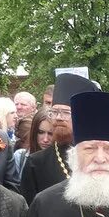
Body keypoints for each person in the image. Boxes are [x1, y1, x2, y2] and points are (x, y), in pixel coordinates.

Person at [20, 73, 99, 203]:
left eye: (66, 113)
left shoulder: (99, 157)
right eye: (54, 112)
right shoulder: (36, 163)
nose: (58, 117)